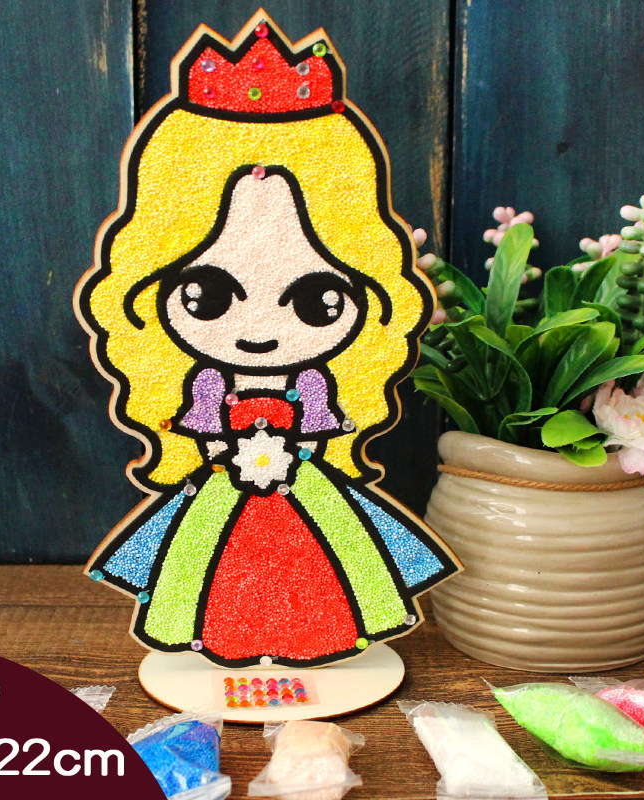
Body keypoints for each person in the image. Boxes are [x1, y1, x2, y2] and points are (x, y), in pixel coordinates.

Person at [74, 14, 460, 667]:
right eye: (206, 297)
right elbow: (201, 428)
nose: (258, 330)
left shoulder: (313, 381)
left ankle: (314, 637)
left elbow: (323, 424)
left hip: (305, 484)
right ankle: (228, 636)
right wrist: (223, 450)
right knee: (204, 567)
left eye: (317, 301)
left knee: (330, 564)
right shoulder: (205, 382)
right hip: (224, 486)